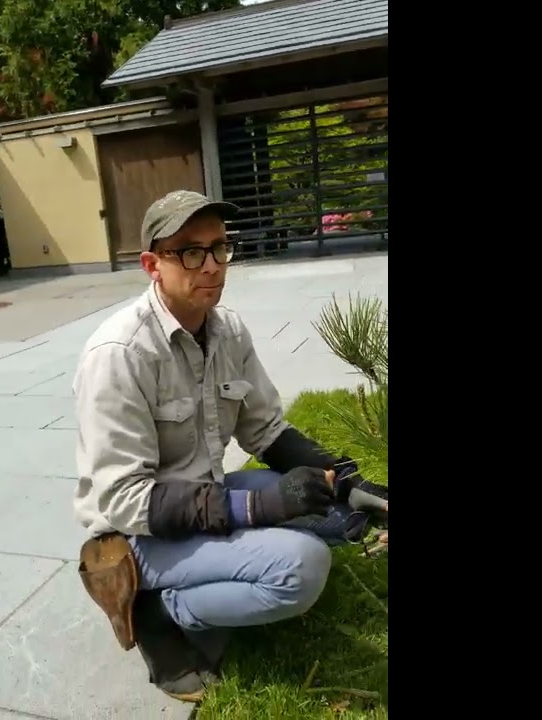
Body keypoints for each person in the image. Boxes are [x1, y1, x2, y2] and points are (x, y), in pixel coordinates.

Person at [71, 190, 388, 702]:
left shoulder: (228, 330)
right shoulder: (118, 355)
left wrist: (349, 482)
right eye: (191, 252)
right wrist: (256, 506)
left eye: (220, 247)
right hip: (137, 536)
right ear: (152, 264)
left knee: (330, 512)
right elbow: (124, 500)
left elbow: (265, 430)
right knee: (303, 565)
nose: (213, 265)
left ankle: (203, 578)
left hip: (203, 497)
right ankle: (159, 611)